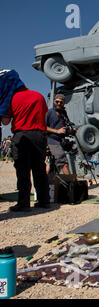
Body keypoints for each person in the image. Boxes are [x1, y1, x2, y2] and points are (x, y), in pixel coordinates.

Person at [0, 69, 50, 211]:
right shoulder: (38, 96)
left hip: (22, 134)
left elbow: (5, 121)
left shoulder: (12, 98)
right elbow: (44, 115)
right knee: (39, 169)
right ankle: (44, 201)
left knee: (23, 170)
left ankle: (23, 203)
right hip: (40, 135)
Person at [46, 94, 71, 175]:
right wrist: (57, 131)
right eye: (57, 102)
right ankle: (71, 185)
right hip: (52, 141)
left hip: (60, 141)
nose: (59, 103)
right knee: (64, 163)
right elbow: (42, 127)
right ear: (54, 101)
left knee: (52, 165)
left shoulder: (64, 114)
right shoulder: (49, 112)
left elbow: (64, 127)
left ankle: (44, 184)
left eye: (61, 102)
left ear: (64, 103)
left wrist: (70, 130)